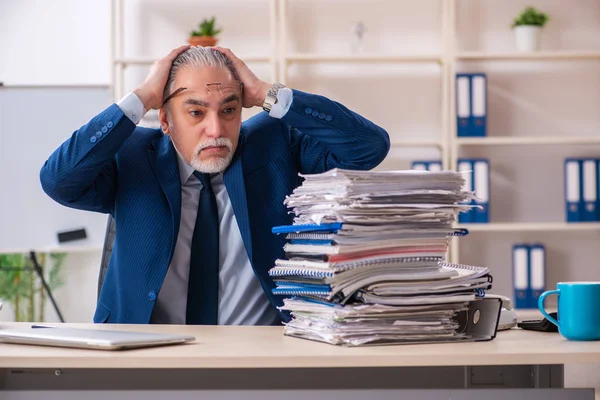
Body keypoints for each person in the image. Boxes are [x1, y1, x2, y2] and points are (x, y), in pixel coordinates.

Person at [40, 45, 390, 325]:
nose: (216, 130)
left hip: (262, 357)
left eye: (228, 110)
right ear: (165, 119)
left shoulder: (274, 145)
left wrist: (268, 93)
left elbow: (367, 148)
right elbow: (59, 180)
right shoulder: (133, 156)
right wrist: (143, 96)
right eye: (195, 113)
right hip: (144, 356)